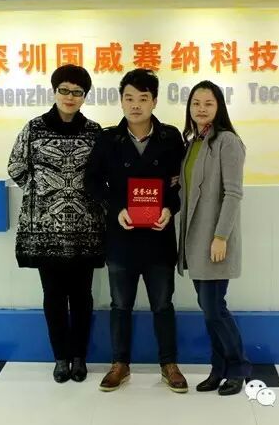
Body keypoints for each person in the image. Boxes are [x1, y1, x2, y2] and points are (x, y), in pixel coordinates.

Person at [84, 69, 188, 393]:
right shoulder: (108, 139)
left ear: (154, 101)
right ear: (121, 101)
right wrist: (116, 209)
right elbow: (91, 181)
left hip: (159, 237)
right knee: (120, 305)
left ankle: (169, 364)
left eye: (143, 98)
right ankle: (120, 364)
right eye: (129, 98)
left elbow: (181, 185)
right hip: (121, 237)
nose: (135, 105)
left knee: (163, 305)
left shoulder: (170, 138)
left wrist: (170, 208)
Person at [7, 64, 105, 384]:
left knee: (82, 297)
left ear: (84, 96)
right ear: (54, 91)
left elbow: (103, 174)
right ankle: (60, 358)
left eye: (77, 92)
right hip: (45, 231)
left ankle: (79, 357)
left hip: (84, 229)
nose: (70, 97)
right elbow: (16, 166)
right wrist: (43, 195)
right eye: (64, 90)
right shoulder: (34, 128)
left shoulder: (94, 132)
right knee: (53, 296)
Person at [177, 80, 251, 396]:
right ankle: (218, 369)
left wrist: (221, 236)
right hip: (195, 241)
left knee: (214, 309)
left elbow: (233, 193)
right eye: (196, 103)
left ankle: (238, 368)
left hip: (215, 241)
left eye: (208, 103)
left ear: (219, 107)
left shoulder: (228, 141)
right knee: (209, 309)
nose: (201, 109)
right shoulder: (193, 142)